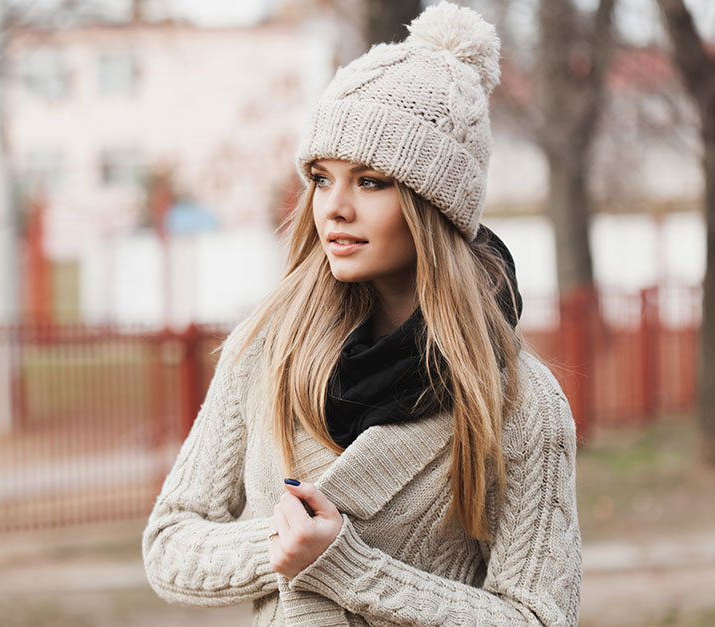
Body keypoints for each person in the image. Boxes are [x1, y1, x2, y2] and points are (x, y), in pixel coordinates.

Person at [142, 3, 581, 625]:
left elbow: (539, 617)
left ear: (435, 204)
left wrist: (347, 565)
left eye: (371, 181)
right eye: (322, 178)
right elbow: (170, 545)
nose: (333, 208)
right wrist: (279, 540)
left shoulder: (520, 401)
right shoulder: (268, 350)